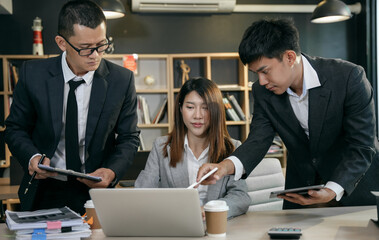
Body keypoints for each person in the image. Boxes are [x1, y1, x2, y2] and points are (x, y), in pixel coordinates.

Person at [197, 18, 379, 209]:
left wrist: (333, 189)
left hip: (353, 190)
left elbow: (362, 144)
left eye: (265, 71)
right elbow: (258, 140)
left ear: (290, 57)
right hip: (302, 191)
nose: (261, 81)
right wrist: (223, 167)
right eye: (255, 74)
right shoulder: (263, 91)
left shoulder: (349, 77)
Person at [5, 0, 140, 214]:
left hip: (97, 192)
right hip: (45, 188)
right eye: (86, 48)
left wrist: (112, 171)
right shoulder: (33, 75)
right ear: (61, 42)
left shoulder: (121, 80)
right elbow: (15, 128)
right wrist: (32, 157)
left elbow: (129, 138)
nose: (95, 55)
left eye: (101, 45)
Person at [135, 77, 251, 219]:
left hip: (217, 227)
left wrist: (210, 210)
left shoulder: (233, 147)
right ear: (180, 109)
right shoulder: (161, 147)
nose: (197, 116)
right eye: (190, 107)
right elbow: (142, 193)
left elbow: (241, 197)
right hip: (176, 225)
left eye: (206, 108)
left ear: (216, 111)